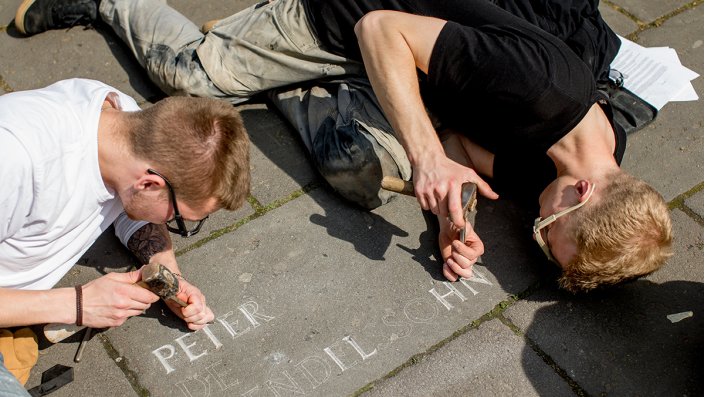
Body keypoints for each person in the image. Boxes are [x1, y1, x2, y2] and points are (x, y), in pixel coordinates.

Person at [13, 0, 672, 292]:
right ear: (584, 191)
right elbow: (381, 28)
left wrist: (451, 213)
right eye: (542, 225)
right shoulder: (542, 88)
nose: (528, 222)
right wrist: (424, 158)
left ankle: (295, 90)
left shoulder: (583, 160)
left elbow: (460, 147)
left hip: (410, 75)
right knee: (187, 74)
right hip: (356, 21)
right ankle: (111, 1)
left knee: (356, 176)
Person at [0, 78, 250, 387]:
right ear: (149, 184)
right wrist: (78, 304)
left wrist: (168, 277)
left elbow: (130, 209)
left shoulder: (126, 128)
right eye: (179, 217)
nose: (174, 222)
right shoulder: (15, 161)